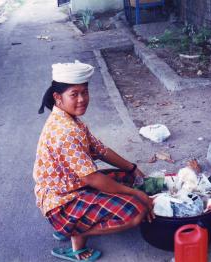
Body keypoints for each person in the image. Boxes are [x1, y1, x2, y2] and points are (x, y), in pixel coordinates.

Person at [33, 61, 155, 261]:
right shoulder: (65, 131)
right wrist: (136, 194)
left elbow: (101, 150)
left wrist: (132, 168)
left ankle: (72, 226)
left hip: (70, 188)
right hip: (61, 203)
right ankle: (76, 235)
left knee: (128, 177)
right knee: (136, 212)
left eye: (85, 92)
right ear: (58, 97)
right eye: (74, 94)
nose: (82, 99)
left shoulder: (70, 119)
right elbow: (92, 178)